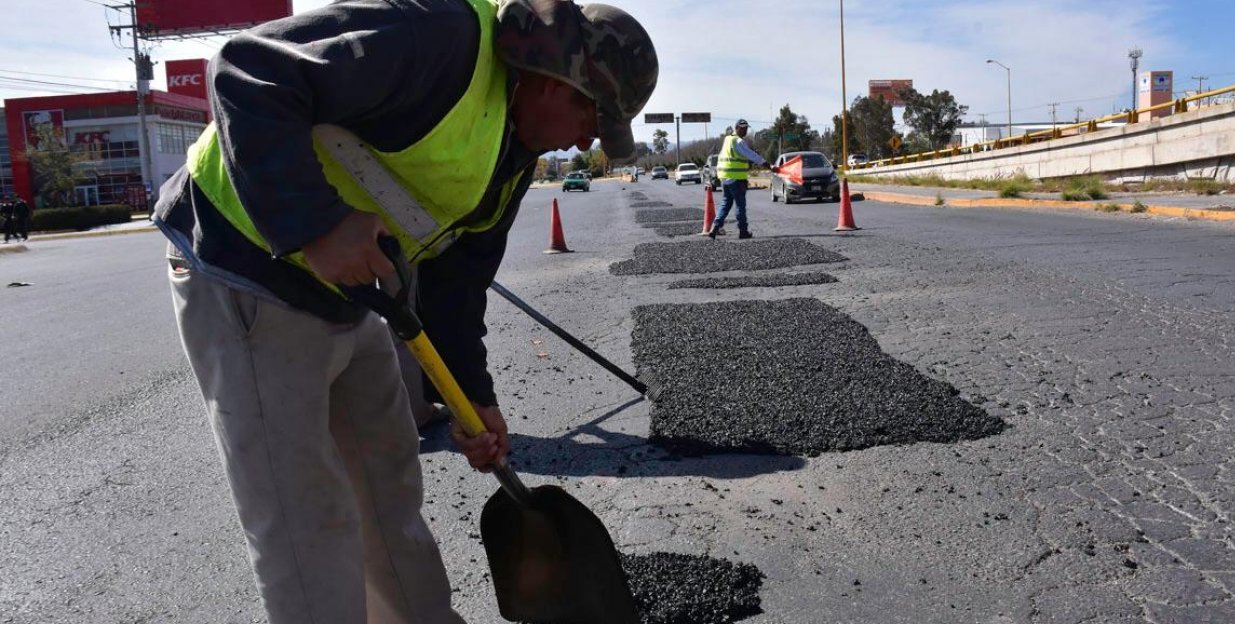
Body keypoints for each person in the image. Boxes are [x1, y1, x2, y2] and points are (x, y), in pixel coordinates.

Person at [150, 0, 657, 621]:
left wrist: (473, 398)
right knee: (306, 521)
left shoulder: (516, 148)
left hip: (354, 294)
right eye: (591, 116)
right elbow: (247, 69)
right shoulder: (439, 37)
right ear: (559, 80)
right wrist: (316, 225)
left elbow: (458, 282)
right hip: (247, 271)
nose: (586, 140)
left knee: (388, 491)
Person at [708, 119, 773, 239]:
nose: (745, 130)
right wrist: (765, 163)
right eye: (742, 128)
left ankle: (715, 227)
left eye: (746, 128)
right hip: (736, 178)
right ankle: (743, 231)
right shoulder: (738, 142)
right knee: (740, 205)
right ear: (736, 128)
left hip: (724, 177)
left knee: (726, 203)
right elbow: (751, 155)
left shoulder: (727, 139)